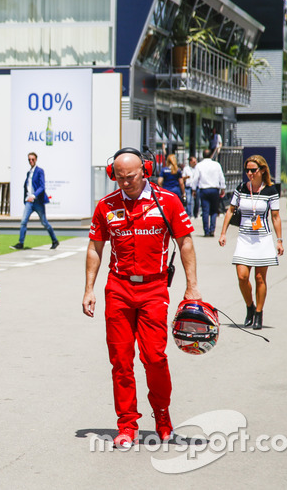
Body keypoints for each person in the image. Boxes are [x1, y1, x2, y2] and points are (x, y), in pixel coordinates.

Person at [82, 148, 200, 450]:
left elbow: (185, 242)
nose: (125, 183)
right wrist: (89, 289)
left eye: (131, 176)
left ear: (145, 170)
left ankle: (163, 418)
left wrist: (192, 287)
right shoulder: (106, 206)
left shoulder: (167, 201)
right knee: (120, 361)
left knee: (154, 358)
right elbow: (96, 248)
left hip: (154, 289)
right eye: (119, 178)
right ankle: (126, 424)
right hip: (118, 289)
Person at [218, 155, 284, 330]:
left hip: (262, 239)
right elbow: (230, 210)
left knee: (260, 278)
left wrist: (279, 240)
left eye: (253, 170)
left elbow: (275, 217)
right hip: (244, 238)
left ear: (262, 170)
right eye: (247, 170)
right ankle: (250, 306)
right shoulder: (241, 188)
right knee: (242, 276)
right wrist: (223, 233)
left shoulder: (271, 191)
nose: (249, 173)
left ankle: (258, 314)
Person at [12, 152, 59, 250]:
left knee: (44, 222)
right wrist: (26, 198)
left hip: (38, 202)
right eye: (29, 159)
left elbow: (42, 186)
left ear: (36, 159)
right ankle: (21, 243)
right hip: (29, 202)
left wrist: (33, 196)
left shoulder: (39, 171)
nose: (31, 161)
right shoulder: (28, 172)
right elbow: (27, 187)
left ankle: (55, 240)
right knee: (23, 222)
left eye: (32, 159)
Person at [191, 149, 226, 237]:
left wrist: (194, 189)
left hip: (204, 189)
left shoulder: (199, 165)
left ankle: (206, 231)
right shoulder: (216, 165)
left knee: (205, 211)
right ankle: (212, 230)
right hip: (214, 189)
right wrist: (223, 188)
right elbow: (221, 177)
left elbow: (195, 178)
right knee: (214, 211)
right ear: (211, 155)